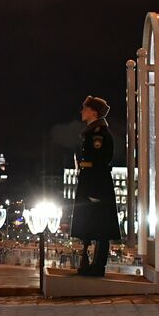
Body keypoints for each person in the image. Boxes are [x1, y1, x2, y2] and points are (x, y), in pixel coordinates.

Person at [70, 95, 118, 276]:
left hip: (96, 184)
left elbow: (100, 162)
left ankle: (98, 266)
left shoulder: (98, 133)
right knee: (93, 224)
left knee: (100, 225)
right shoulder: (93, 132)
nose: (82, 111)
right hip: (91, 182)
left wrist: (94, 191)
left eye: (85, 108)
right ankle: (91, 264)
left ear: (93, 111)